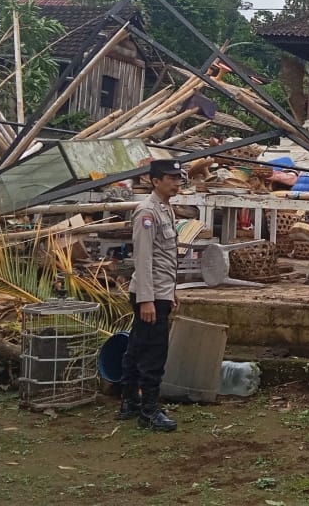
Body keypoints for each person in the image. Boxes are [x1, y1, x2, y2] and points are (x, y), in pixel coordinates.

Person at [120, 158, 184, 432]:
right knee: (153, 353)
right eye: (170, 178)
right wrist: (148, 299)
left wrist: (171, 292)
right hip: (149, 294)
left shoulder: (165, 209)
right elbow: (144, 259)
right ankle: (149, 410)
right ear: (155, 181)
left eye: (178, 177)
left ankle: (129, 401)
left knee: (136, 347)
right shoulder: (146, 213)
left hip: (160, 291)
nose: (176, 182)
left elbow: (166, 258)